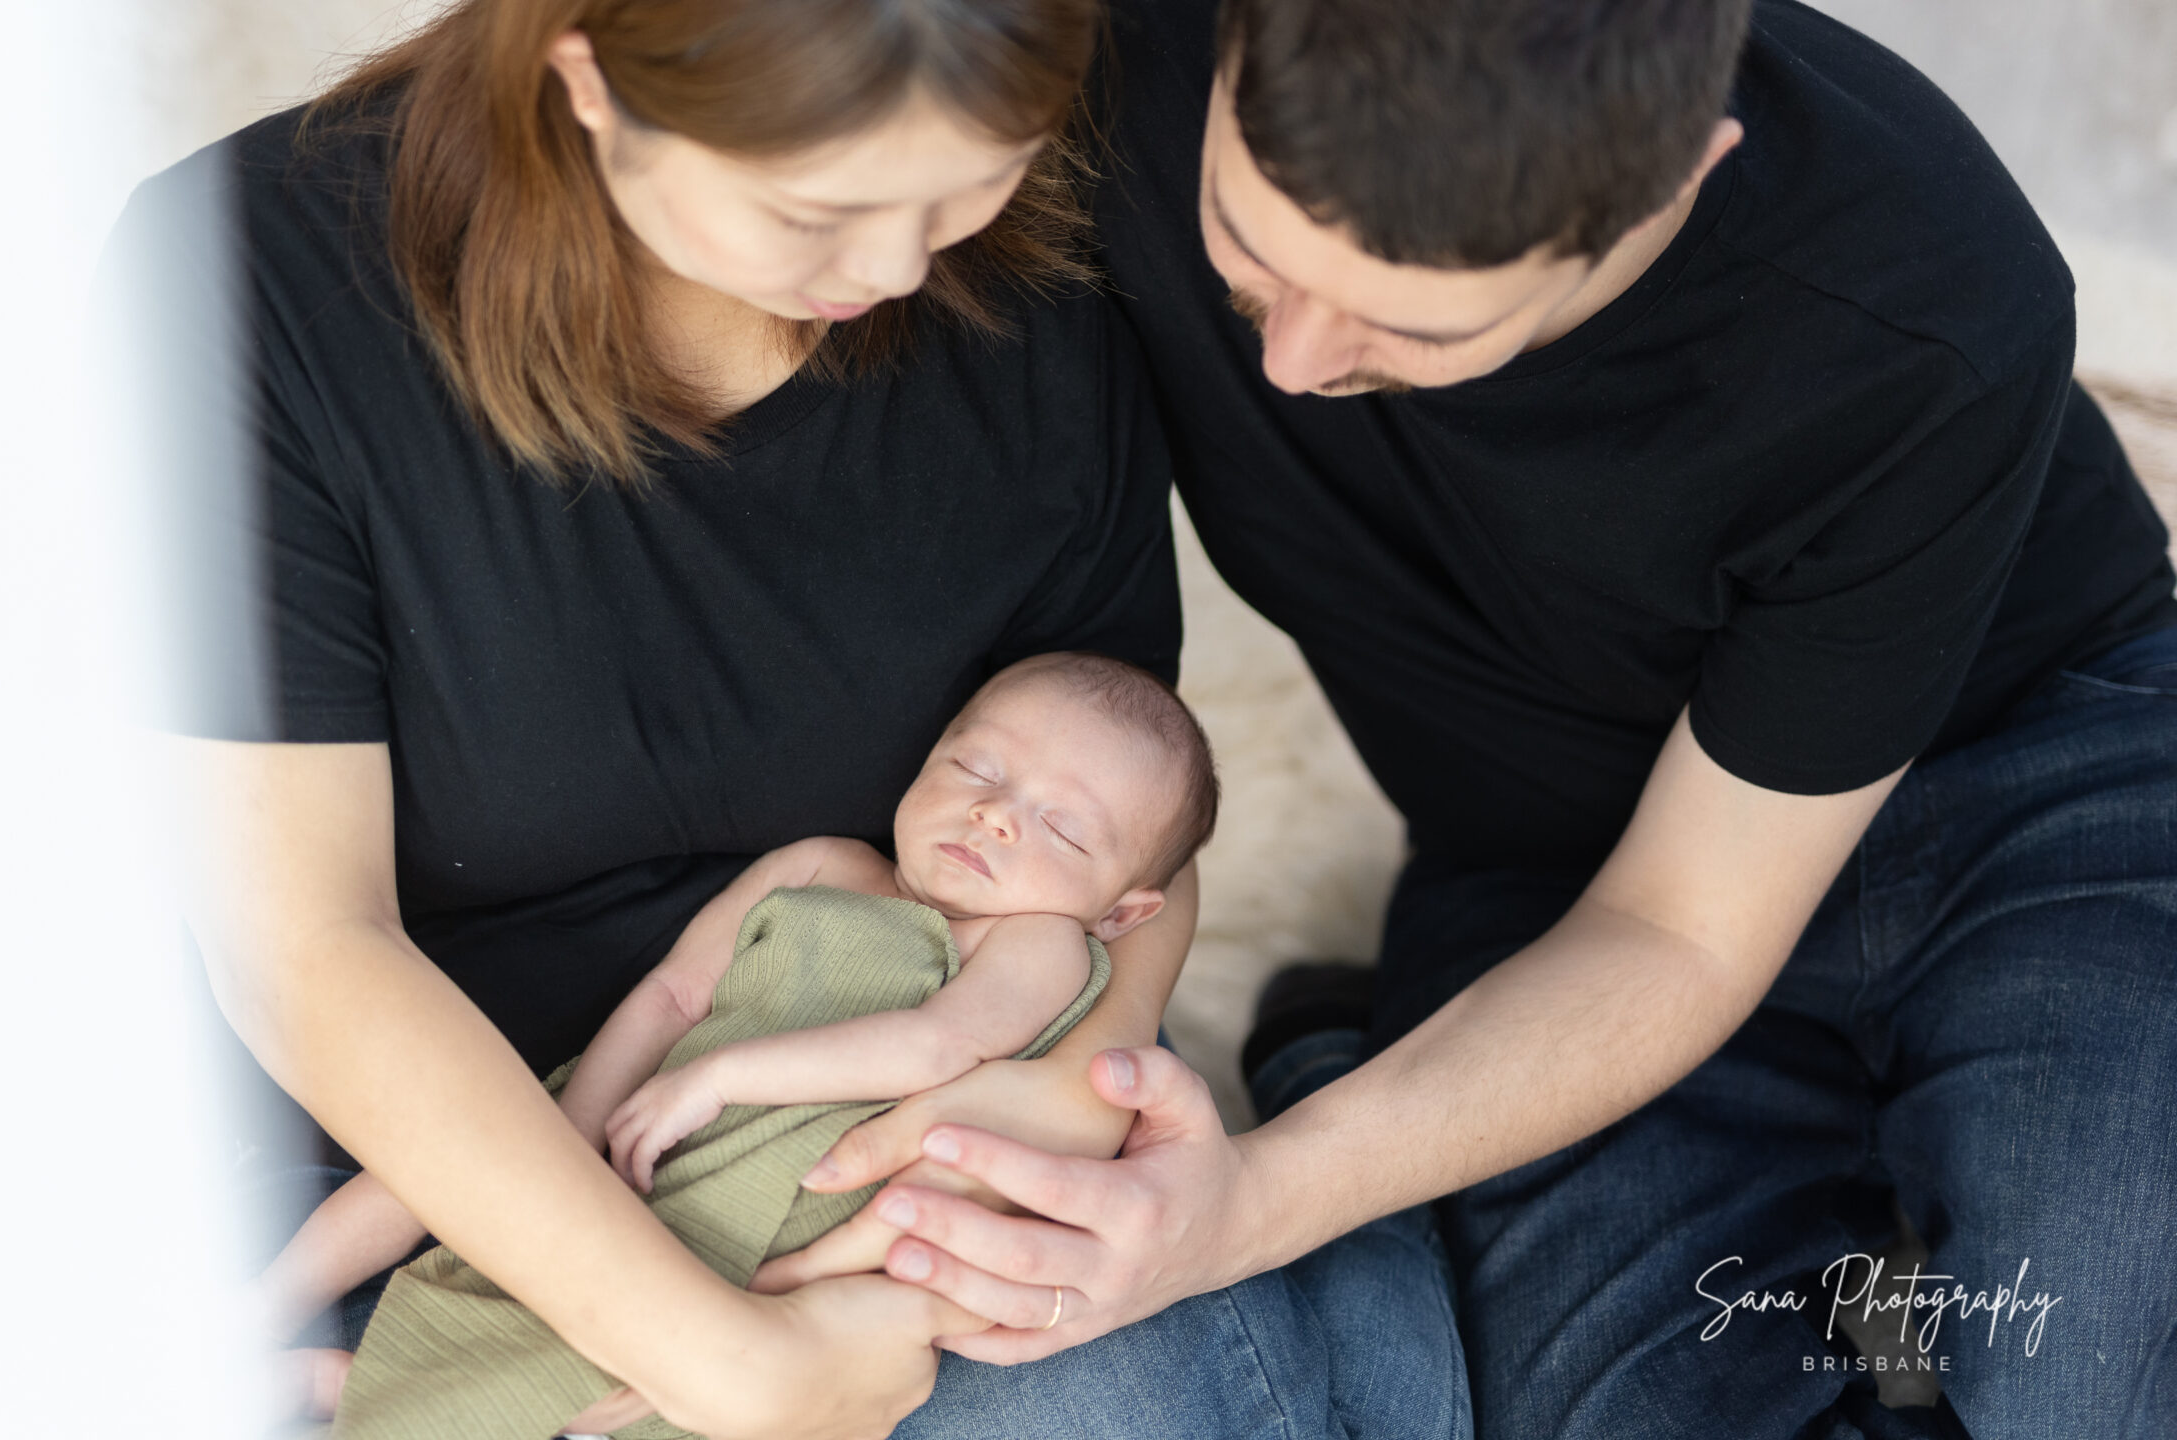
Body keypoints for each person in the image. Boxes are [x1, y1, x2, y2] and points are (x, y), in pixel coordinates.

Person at [781, 2, 2177, 1437]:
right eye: (1250, 253)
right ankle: (1347, 1038)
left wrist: (1248, 1204)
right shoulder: (1128, 51)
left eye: (1408, 324)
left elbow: (1691, 927)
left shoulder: (1929, 301)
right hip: (1552, 868)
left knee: (2096, 1388)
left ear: (1674, 182)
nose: (1295, 367)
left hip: (2030, 764)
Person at [118, 0, 1462, 1433]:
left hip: (889, 1073)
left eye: (966, 177)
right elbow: (304, 945)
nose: (898, 265)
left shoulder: (1034, 258)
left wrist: (1072, 1089)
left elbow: (1124, 818)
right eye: (817, 208)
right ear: (587, 73)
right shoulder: (250, 283)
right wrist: (719, 1358)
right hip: (422, 1129)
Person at [257, 654, 1216, 1434]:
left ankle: (361, 1394)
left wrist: (724, 1077)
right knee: (433, 1166)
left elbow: (936, 1047)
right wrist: (582, 1116)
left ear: (1125, 912)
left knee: (628, 1385)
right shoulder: (821, 865)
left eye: (1061, 827)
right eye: (975, 768)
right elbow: (674, 993)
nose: (995, 813)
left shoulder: (1038, 941)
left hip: (765, 1199)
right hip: (649, 1105)